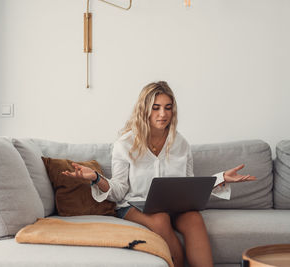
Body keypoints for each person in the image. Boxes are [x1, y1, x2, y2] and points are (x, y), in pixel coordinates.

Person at [62, 81, 256, 267]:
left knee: (194, 218)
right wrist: (96, 178)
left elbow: (188, 186)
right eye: (156, 107)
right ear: (144, 109)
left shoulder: (181, 144)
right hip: (134, 206)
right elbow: (118, 191)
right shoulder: (124, 144)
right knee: (160, 217)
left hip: (175, 206)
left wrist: (220, 179)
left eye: (168, 107)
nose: (163, 114)